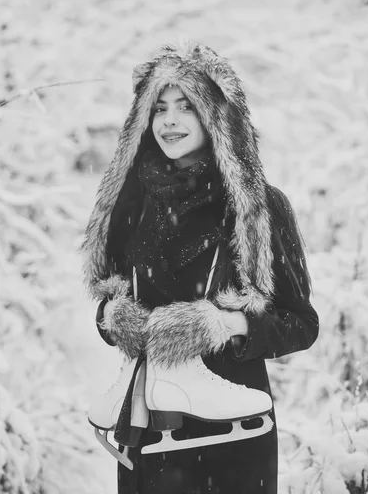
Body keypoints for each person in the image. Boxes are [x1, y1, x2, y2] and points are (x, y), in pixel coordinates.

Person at [82, 41, 319, 494]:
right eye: (159, 108)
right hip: (148, 432)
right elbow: (107, 300)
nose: (169, 121)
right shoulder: (130, 208)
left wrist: (220, 323)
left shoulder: (259, 208)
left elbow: (300, 323)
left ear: (215, 117)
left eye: (186, 107)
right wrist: (118, 320)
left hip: (232, 432)